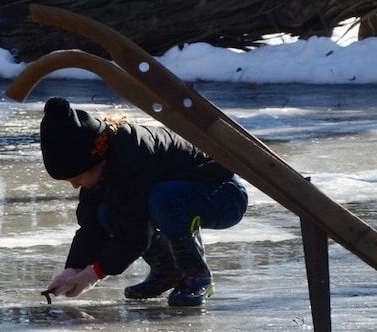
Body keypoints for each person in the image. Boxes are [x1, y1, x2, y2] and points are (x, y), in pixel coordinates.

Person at [38, 97, 248, 309]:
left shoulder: (134, 155)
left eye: (77, 178)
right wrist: (73, 269)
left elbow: (136, 233)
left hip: (224, 196)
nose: (75, 186)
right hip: (182, 196)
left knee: (161, 199)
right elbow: (91, 225)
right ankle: (168, 270)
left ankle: (197, 275)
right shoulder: (103, 167)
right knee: (106, 213)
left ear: (96, 161)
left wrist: (94, 274)